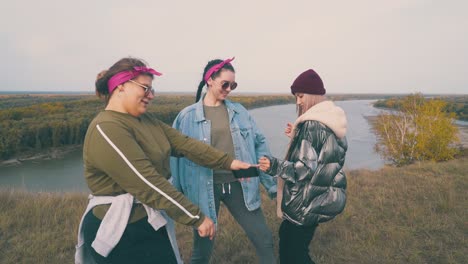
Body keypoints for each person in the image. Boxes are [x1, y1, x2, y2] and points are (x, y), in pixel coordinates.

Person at [74, 57, 252, 264]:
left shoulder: (146, 121)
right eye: (145, 88)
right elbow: (147, 182)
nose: (151, 95)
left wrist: (229, 162)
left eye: (152, 90)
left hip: (147, 221)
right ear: (121, 86)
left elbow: (186, 144)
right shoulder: (107, 127)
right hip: (119, 229)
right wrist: (196, 217)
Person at [170, 57, 277, 264]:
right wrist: (177, 193)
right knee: (202, 250)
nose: (229, 89)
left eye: (233, 85)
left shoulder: (240, 112)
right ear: (209, 80)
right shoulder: (186, 117)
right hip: (203, 187)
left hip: (240, 184)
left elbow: (259, 144)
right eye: (225, 84)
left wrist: (271, 184)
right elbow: (176, 156)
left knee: (264, 240)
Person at [258, 69, 348, 264]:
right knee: (293, 245)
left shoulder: (312, 125)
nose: (298, 102)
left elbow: (304, 170)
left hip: (305, 202)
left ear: (313, 95)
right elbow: (328, 152)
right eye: (296, 97)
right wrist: (297, 137)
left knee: (293, 254)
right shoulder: (330, 120)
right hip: (318, 199)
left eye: (300, 96)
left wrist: (273, 165)